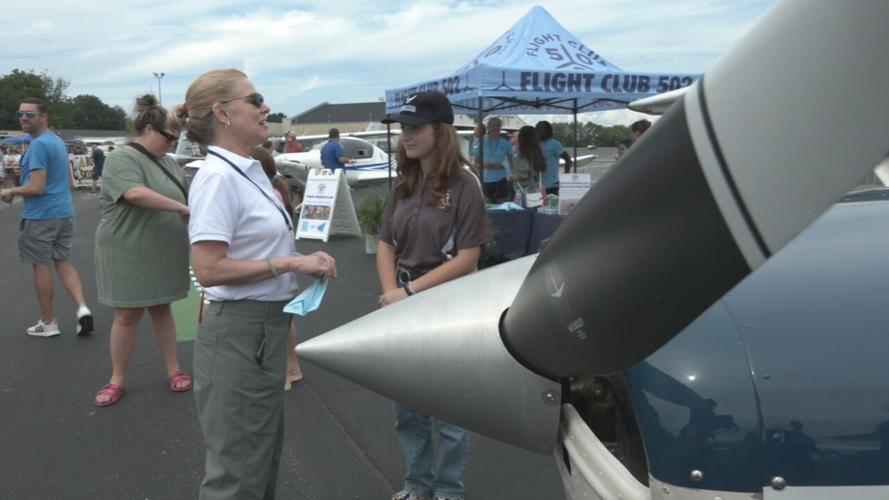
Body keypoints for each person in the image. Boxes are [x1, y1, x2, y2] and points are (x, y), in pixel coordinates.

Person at [171, 68, 337, 500]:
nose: (265, 107)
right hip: (239, 333)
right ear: (222, 113)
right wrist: (290, 262)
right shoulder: (217, 178)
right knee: (237, 473)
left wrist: (303, 266)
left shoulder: (247, 170)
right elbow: (208, 268)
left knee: (259, 457)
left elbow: (251, 250)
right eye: (255, 98)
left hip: (261, 329)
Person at [379, 90, 492, 500]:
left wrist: (407, 291)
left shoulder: (465, 184)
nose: (406, 135)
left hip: (448, 303)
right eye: (404, 128)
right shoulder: (405, 182)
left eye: (416, 127)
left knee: (447, 413)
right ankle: (416, 485)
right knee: (407, 409)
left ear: (439, 131)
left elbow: (468, 257)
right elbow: (386, 243)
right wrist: (391, 291)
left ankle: (447, 491)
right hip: (405, 299)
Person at [92, 95, 192, 407]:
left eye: (176, 138)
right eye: (169, 137)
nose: (173, 144)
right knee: (127, 314)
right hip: (128, 249)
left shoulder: (169, 162)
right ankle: (117, 379)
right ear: (149, 129)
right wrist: (181, 208)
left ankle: (174, 369)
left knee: (163, 309)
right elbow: (134, 193)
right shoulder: (122, 158)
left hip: (162, 249)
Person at [0, 98, 93, 337]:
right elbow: (64, 180)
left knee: (41, 266)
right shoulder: (57, 142)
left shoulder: (39, 145)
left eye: (29, 115)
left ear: (43, 117)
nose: (23, 118)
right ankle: (82, 308)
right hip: (63, 211)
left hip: (41, 216)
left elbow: (37, 187)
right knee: (62, 261)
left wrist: (10, 191)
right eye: (20, 113)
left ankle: (49, 322)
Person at [251, 145, 303, 390]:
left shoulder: (267, 195)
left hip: (273, 269)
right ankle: (292, 367)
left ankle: (283, 372)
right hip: (283, 267)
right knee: (286, 320)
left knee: (274, 325)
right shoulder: (278, 191)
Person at [471, 116, 512, 203]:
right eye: (493, 125)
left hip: (501, 180)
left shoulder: (506, 144)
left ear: (501, 127)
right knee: (487, 209)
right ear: (489, 127)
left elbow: (511, 163)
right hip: (485, 180)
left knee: (502, 209)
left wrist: (501, 165)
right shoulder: (480, 143)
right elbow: (475, 164)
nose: (495, 128)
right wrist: (485, 165)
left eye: (497, 125)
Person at [535, 120, 572, 195]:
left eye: (540, 129)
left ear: (547, 131)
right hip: (537, 186)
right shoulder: (535, 144)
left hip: (552, 185)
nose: (538, 132)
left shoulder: (554, 144)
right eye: (537, 129)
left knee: (551, 206)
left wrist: (565, 179)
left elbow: (568, 160)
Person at [507, 125, 547, 194]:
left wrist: (510, 177)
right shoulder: (537, 152)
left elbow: (522, 176)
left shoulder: (522, 155)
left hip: (524, 192)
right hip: (536, 191)